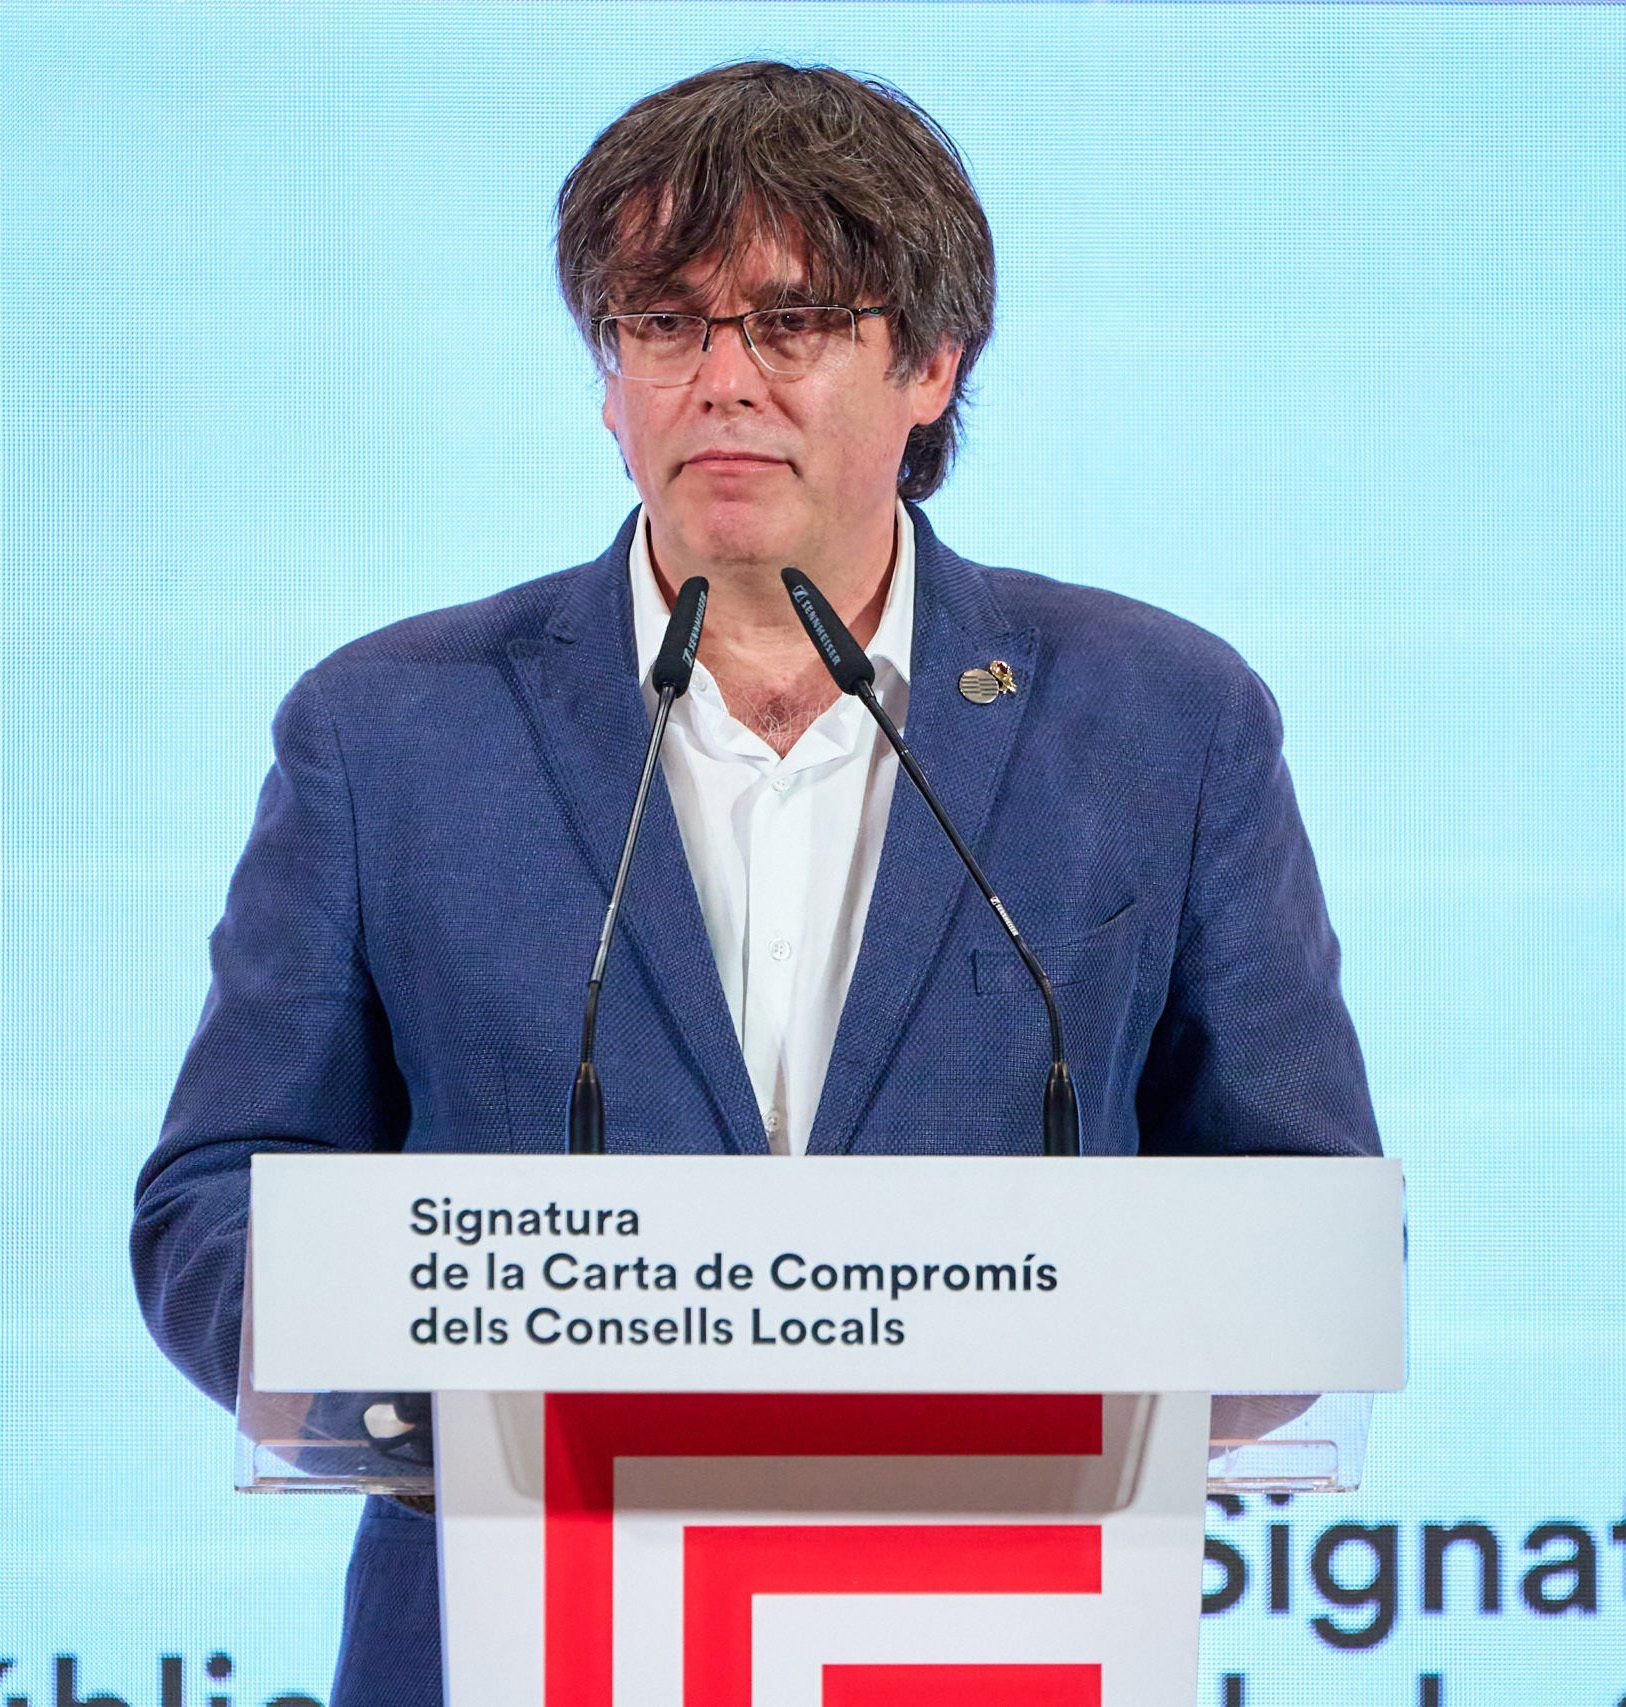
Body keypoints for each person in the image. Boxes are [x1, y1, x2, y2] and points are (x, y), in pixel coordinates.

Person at [131, 60, 1381, 1706]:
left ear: (930, 363)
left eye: (789, 325)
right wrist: (473, 1377)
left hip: (991, 1628)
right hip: (517, 1625)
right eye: (664, 323)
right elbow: (213, 1205)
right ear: (610, 379)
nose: (721, 381)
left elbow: (1302, 1219)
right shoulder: (388, 732)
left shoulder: (1160, 720)